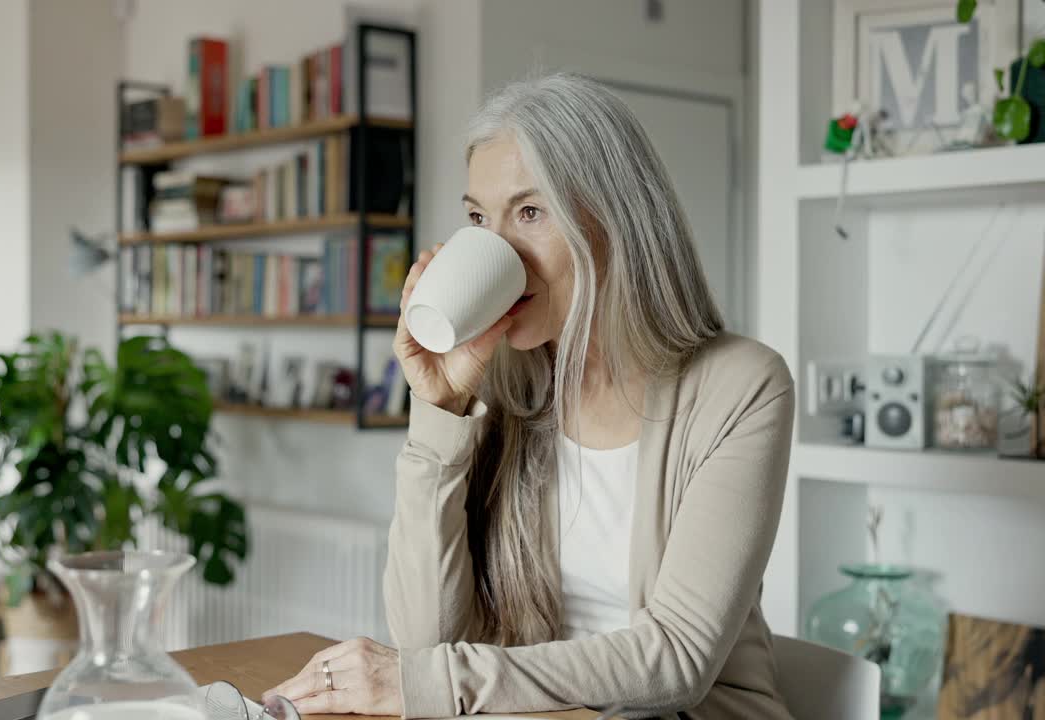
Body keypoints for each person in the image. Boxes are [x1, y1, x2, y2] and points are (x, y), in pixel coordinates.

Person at [266, 72, 795, 720]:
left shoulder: (741, 387)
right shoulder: (502, 387)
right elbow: (426, 638)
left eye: (530, 211)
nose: (497, 247)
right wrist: (439, 411)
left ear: (612, 219)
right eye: (477, 218)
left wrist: (421, 682)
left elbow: (676, 659)